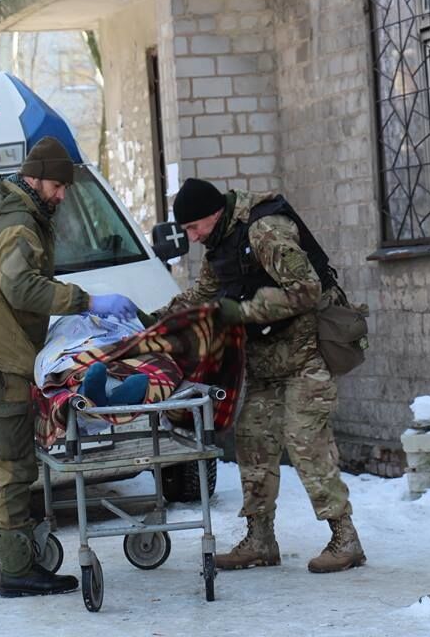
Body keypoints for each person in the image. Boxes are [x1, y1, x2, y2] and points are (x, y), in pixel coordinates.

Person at [0, 136, 138, 598]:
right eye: (56, 185)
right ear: (33, 177)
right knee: (10, 467)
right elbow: (23, 289)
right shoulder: (18, 223)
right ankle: (18, 570)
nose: (61, 195)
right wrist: (87, 301)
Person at [158, 177, 365, 573]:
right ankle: (260, 540)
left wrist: (245, 312)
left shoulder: (265, 229)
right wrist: (162, 317)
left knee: (305, 441)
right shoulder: (221, 242)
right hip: (265, 361)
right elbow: (204, 294)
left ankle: (345, 538)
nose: (193, 237)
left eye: (193, 228)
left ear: (213, 214)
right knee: (252, 440)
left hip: (306, 356)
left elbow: (307, 288)